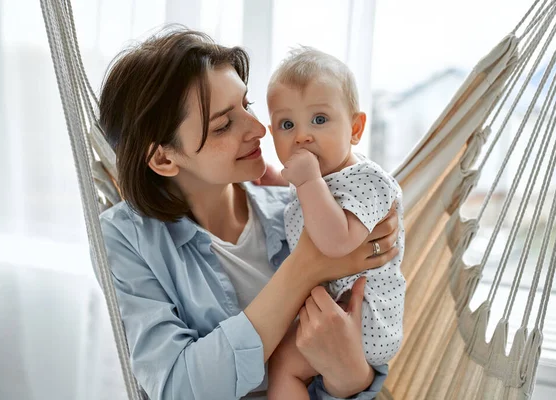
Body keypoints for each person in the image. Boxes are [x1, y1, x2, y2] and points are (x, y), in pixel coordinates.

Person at [98, 26, 400, 400]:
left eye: (247, 105)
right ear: (163, 157)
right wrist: (306, 265)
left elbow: (350, 357)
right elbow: (179, 389)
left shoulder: (293, 211)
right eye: (224, 124)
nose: (259, 129)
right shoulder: (127, 240)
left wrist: (350, 376)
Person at [264, 47, 406, 400]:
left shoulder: (368, 180)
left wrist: (308, 181)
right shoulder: (325, 180)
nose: (302, 136)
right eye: (287, 125)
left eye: (320, 119)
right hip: (336, 310)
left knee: (284, 365)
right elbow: (318, 203)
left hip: (364, 320)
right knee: (279, 363)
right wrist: (282, 179)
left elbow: (336, 241)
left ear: (355, 128)